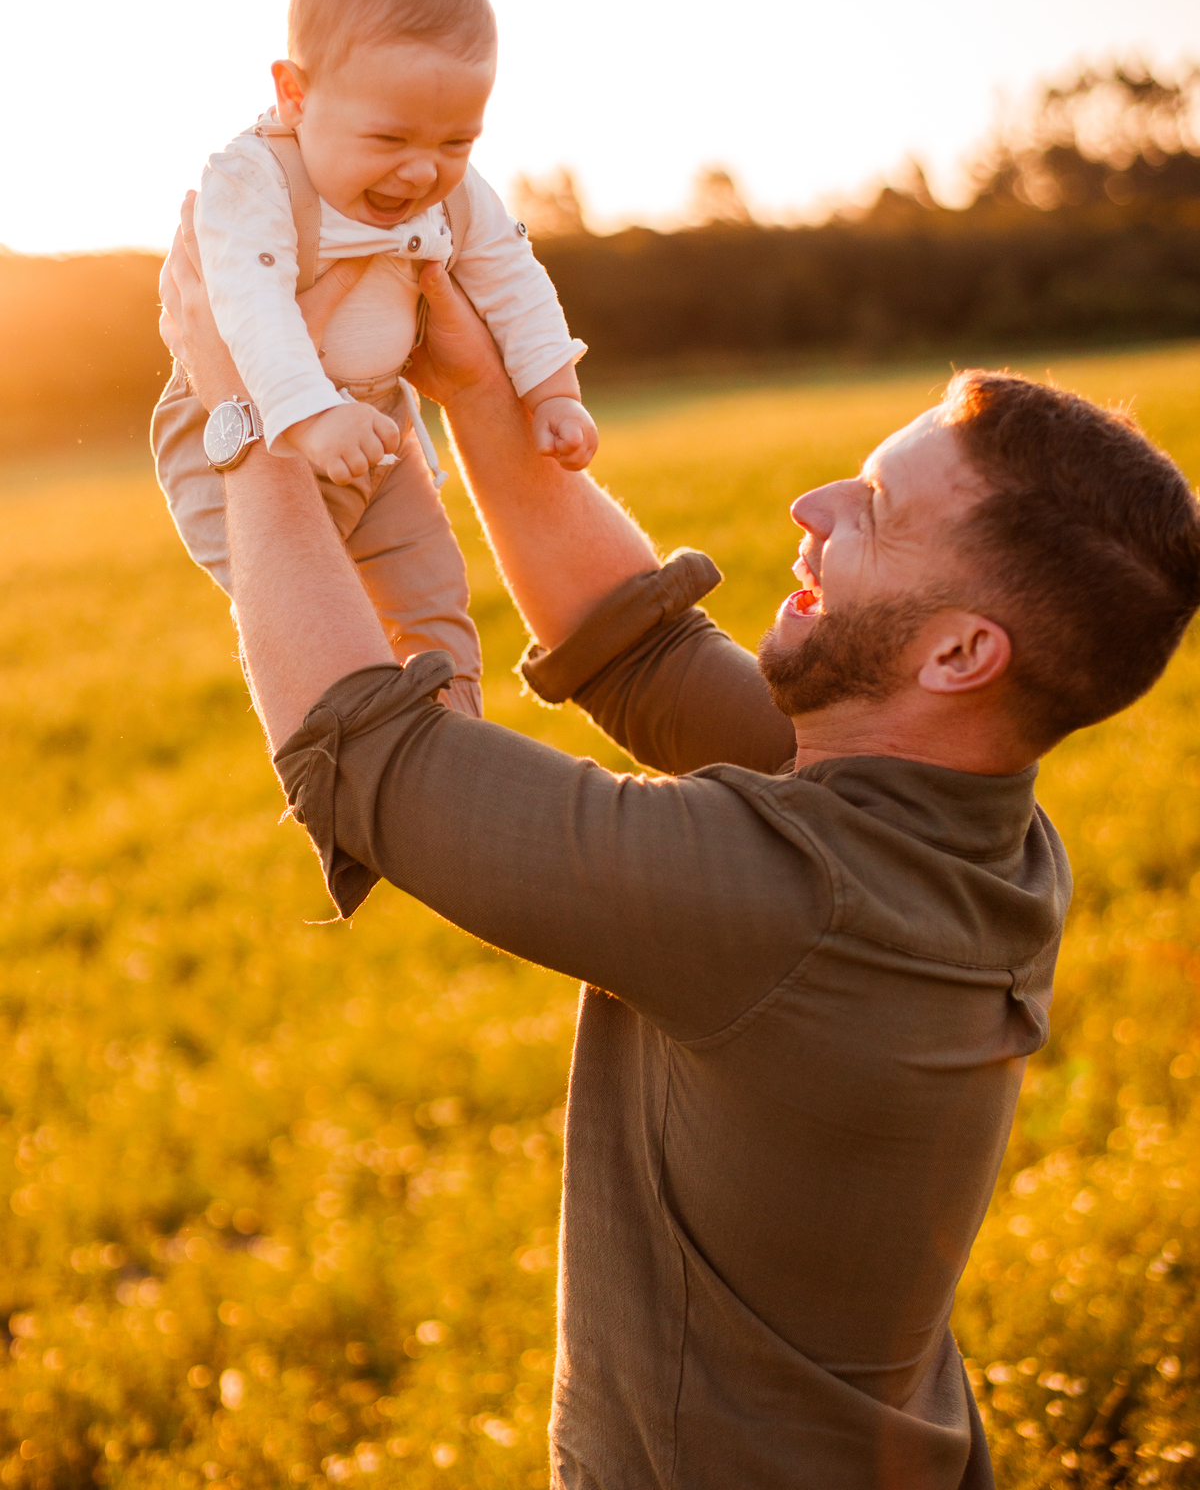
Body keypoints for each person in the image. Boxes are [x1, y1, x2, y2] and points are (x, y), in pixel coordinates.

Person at [159, 204, 1200, 1490]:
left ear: (958, 653)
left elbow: (365, 755)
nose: (808, 506)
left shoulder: (794, 902)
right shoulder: (972, 821)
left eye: (871, 510)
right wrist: (481, 381)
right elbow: (633, 645)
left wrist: (248, 414)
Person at [152, 0, 596, 717]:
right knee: (315, 618)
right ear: (295, 94)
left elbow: (510, 276)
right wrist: (312, 416)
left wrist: (552, 388)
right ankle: (361, 770)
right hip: (254, 423)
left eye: (457, 140)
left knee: (434, 595)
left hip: (379, 429)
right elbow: (248, 312)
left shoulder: (455, 193)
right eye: (389, 138)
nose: (423, 169)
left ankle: (457, 735)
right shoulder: (254, 179)